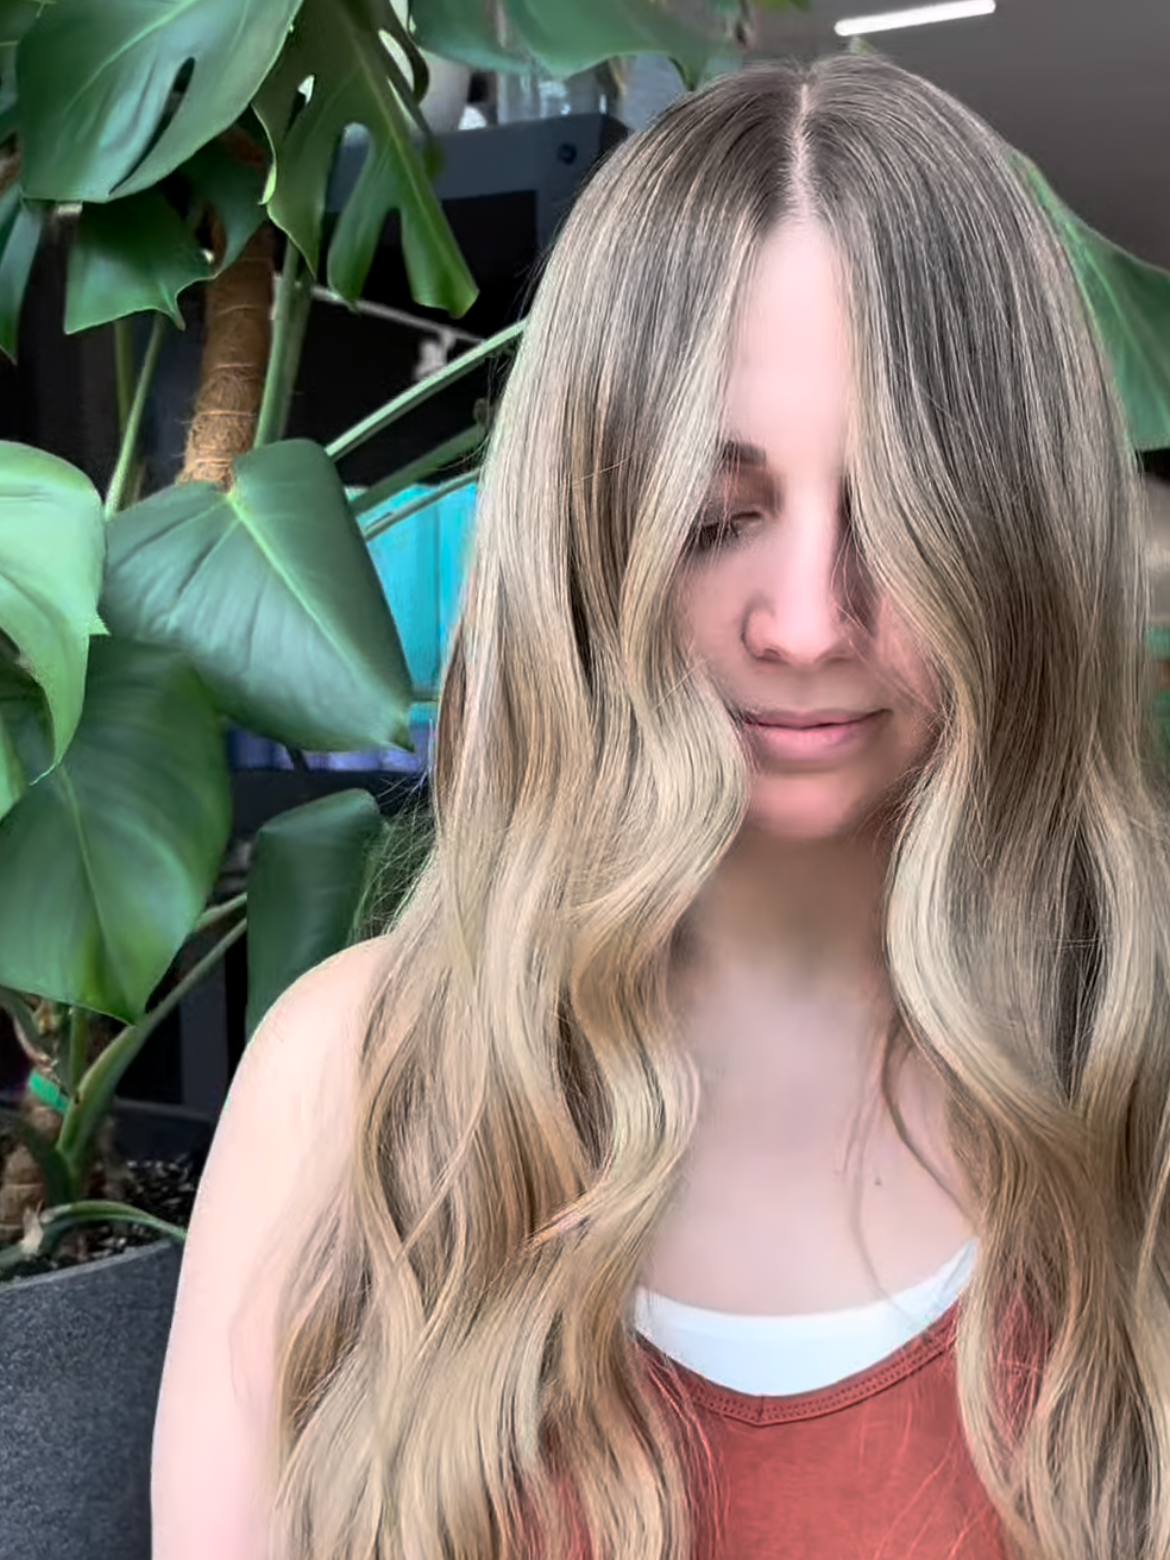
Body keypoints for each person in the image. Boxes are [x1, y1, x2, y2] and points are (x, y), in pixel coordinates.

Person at [150, 49, 1170, 1560]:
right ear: (589, 530)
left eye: (903, 515)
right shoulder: (352, 1090)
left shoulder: (1132, 1092)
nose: (808, 621)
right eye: (713, 517)